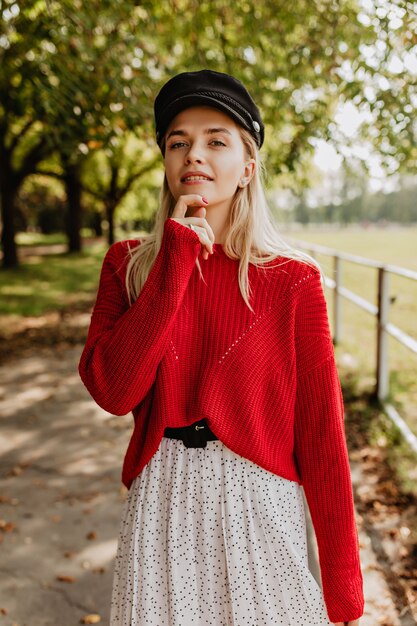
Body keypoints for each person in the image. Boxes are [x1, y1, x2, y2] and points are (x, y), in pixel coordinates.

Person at [78, 69, 365, 626]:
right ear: (165, 161)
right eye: (178, 142)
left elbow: (322, 434)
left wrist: (343, 581)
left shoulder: (291, 280)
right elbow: (113, 390)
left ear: (248, 167)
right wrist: (175, 262)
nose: (194, 156)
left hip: (261, 509)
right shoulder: (128, 266)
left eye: (216, 140)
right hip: (161, 508)